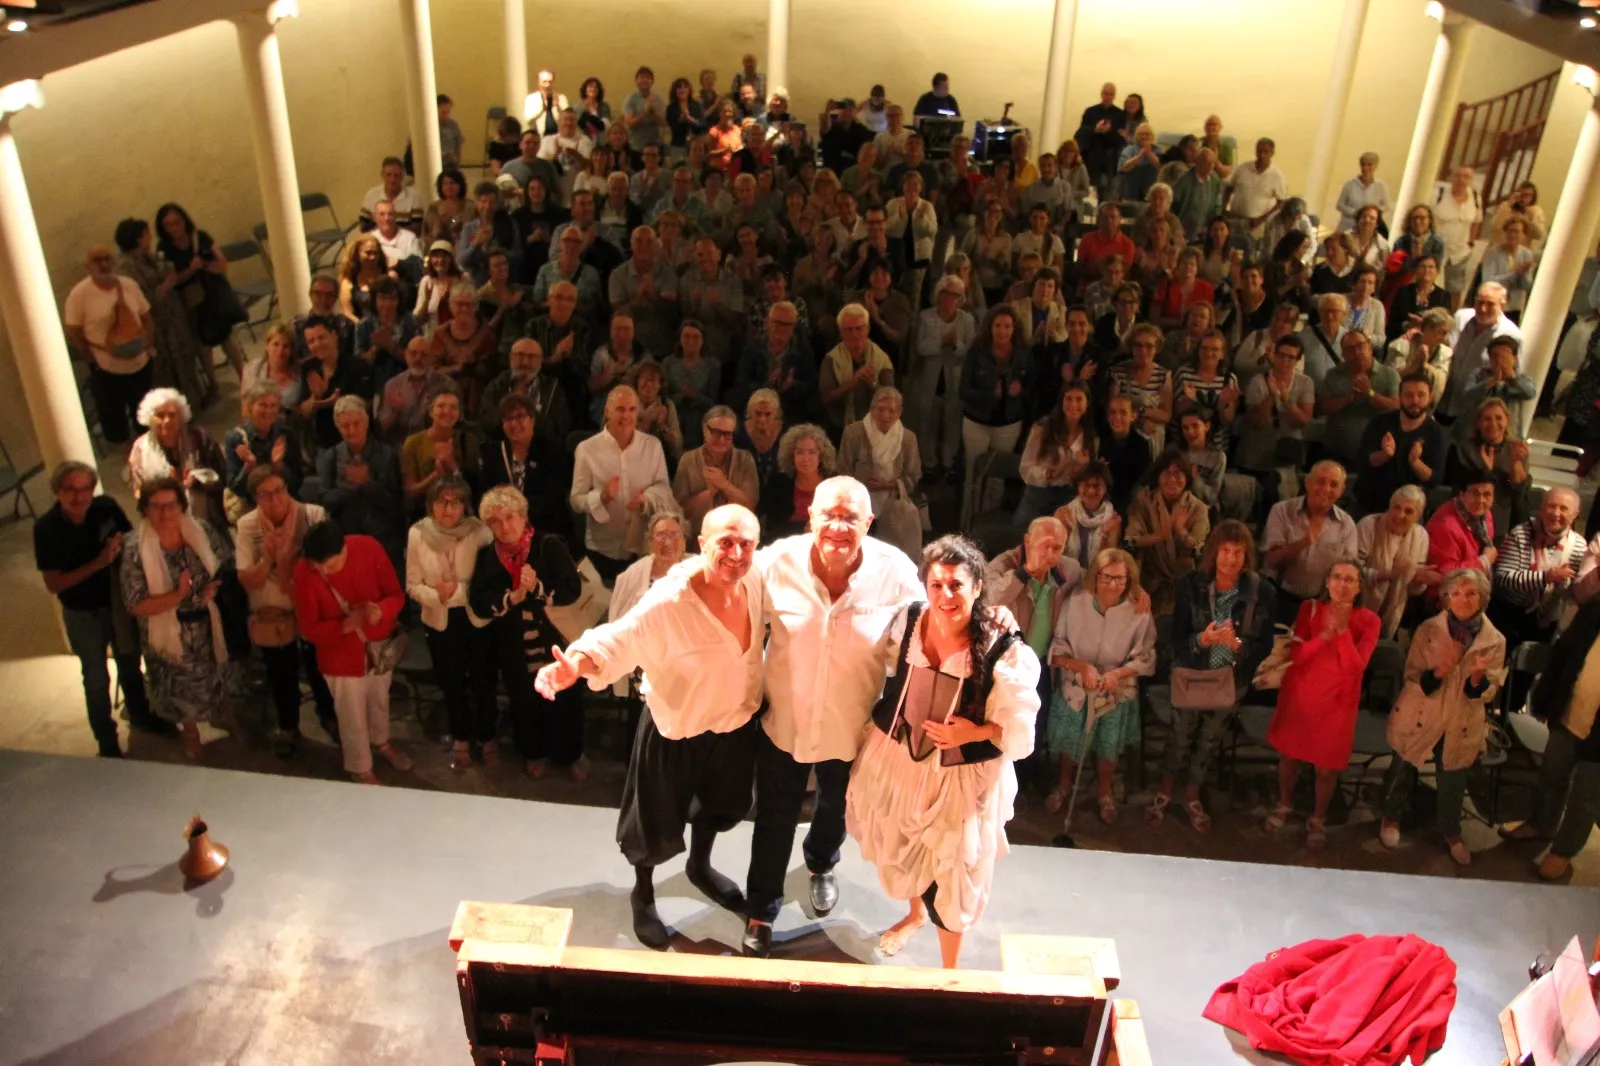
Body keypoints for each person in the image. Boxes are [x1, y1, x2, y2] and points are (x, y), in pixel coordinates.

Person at [536, 504, 762, 948]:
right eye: (725, 543)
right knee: (654, 823)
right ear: (701, 545)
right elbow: (622, 635)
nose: (736, 553)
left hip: (732, 724)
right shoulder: (671, 599)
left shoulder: (753, 578)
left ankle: (700, 867)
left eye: (746, 544)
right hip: (675, 728)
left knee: (720, 804)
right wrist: (575, 666)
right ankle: (643, 894)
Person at [739, 477, 923, 958]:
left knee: (836, 807)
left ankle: (821, 862)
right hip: (786, 719)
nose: (839, 527)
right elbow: (728, 604)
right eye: (829, 516)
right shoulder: (775, 562)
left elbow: (927, 635)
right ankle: (761, 909)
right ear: (811, 517)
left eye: (851, 519)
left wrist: (992, 621)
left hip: (853, 724)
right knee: (774, 818)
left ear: (869, 523)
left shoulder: (896, 573)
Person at [845, 534, 1039, 968]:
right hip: (900, 760)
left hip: (960, 774)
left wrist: (974, 731)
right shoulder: (909, 620)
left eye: (956, 585)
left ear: (976, 588)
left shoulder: (1001, 646)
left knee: (954, 872)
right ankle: (914, 915)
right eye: (937, 585)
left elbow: (1020, 727)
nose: (946, 595)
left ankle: (950, 972)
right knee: (907, 842)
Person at [35, 461, 174, 757]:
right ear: (57, 491)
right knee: (96, 679)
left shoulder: (106, 508)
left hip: (117, 604)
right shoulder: (46, 529)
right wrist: (98, 563)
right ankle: (106, 741)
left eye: (85, 488)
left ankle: (140, 714)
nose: (79, 496)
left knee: (131, 664)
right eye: (71, 490)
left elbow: (130, 540)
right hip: (83, 614)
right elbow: (54, 583)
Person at [1151, 522, 1277, 831]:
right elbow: (1176, 639)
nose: (1231, 559)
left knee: (1209, 740)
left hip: (1232, 679)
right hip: (1192, 673)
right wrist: (1201, 641)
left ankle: (1193, 792)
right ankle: (1165, 789)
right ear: (1213, 553)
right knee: (1180, 737)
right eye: (1224, 551)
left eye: (1237, 552)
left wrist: (1238, 645)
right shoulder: (1191, 584)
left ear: (1246, 556)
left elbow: (1266, 645)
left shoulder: (1262, 591)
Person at [1378, 568, 1504, 865]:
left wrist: (1476, 680)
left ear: (1483, 598)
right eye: (1456, 593)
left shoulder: (1495, 639)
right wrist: (1440, 671)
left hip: (1461, 720)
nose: (1463, 599)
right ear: (1446, 598)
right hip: (1422, 711)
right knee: (1402, 767)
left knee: (1453, 778)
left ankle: (1451, 830)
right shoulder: (1429, 630)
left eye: (1471, 592)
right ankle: (1390, 817)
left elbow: (1489, 691)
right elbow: (1411, 675)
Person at [465, 484, 585, 782]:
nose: (504, 526)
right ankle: (533, 753)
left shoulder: (548, 544)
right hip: (512, 643)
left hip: (554, 641)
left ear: (523, 516)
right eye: (496, 521)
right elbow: (478, 602)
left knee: (565, 699)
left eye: (510, 517)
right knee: (523, 700)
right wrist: (510, 599)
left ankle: (569, 755)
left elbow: (572, 590)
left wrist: (538, 589)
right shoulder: (486, 556)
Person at [1263, 559, 1381, 850]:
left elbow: (1357, 666)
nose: (1342, 584)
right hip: (1300, 695)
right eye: (1337, 577)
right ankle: (1284, 803)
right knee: (1289, 757)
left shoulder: (1369, 621)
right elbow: (1299, 655)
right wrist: (1325, 636)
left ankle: (1318, 817)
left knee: (1326, 769)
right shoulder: (1309, 609)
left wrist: (1340, 634)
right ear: (1327, 582)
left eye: (1349, 579)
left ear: (1359, 587)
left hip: (1338, 704)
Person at [123, 476, 234, 761]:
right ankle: (192, 736)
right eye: (156, 506)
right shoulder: (137, 548)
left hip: (205, 622)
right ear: (144, 509)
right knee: (183, 691)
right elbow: (135, 604)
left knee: (212, 677)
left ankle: (212, 721)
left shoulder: (200, 530)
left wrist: (212, 587)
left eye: (171, 505)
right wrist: (177, 595)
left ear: (181, 505)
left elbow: (223, 561)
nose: (165, 513)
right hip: (169, 630)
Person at [1044, 547, 1155, 825]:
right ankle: (1064, 785)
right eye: (1106, 577)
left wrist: (1119, 673)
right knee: (1071, 743)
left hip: (1115, 686)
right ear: (1096, 576)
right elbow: (1057, 647)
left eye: (1120, 579)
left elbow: (1146, 655)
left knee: (1108, 746)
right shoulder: (1077, 601)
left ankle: (1105, 792)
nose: (1112, 585)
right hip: (1078, 683)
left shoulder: (1138, 609)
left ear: (1130, 580)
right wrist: (1081, 666)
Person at [293, 520, 410, 784]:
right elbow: (309, 629)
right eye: (317, 566)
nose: (323, 571)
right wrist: (346, 626)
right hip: (340, 658)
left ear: (344, 548)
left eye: (330, 565)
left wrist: (379, 611)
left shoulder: (368, 548)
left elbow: (395, 595)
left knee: (380, 699)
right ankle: (360, 767)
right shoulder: (304, 572)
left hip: (379, 648)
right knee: (351, 713)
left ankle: (381, 742)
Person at [235, 463, 334, 758]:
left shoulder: (312, 515)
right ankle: (289, 726)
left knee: (319, 668)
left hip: (310, 606)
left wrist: (289, 561)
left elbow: (324, 567)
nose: (275, 499)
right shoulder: (247, 526)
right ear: (256, 499)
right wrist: (268, 560)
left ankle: (328, 714)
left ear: (287, 488)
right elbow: (246, 579)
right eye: (265, 495)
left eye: (279, 490)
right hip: (273, 611)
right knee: (282, 673)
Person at [1505, 600, 1600, 880]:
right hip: (1570, 714)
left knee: (1586, 797)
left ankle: (1563, 850)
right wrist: (1546, 699)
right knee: (1551, 774)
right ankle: (1540, 823)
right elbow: (1563, 652)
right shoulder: (1595, 607)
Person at [571, 385, 671, 582]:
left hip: (642, 546)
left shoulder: (652, 446)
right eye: (620, 409)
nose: (626, 415)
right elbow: (576, 500)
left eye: (632, 409)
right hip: (603, 548)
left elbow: (663, 488)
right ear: (607, 412)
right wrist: (601, 497)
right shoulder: (587, 449)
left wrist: (646, 498)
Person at [65, 244, 155, 454]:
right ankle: (127, 458)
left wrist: (148, 346)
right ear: (88, 267)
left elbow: (147, 318)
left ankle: (150, 455)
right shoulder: (79, 295)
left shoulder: (129, 285)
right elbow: (73, 331)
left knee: (145, 413)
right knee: (115, 419)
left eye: (107, 258)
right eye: (98, 260)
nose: (104, 264)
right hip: (106, 368)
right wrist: (92, 361)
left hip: (139, 363)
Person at [112, 218, 205, 410]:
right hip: (155, 324)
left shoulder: (147, 257)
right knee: (165, 369)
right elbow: (140, 300)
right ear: (138, 239)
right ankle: (172, 411)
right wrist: (166, 285)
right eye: (147, 235)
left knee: (183, 359)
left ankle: (190, 404)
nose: (150, 238)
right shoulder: (125, 267)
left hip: (171, 318)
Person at [154, 202, 246, 390]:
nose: (174, 228)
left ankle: (244, 378)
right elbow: (171, 280)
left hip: (213, 294)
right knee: (202, 344)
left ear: (184, 220)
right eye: (168, 225)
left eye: (176, 222)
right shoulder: (164, 248)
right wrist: (190, 269)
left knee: (227, 337)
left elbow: (222, 265)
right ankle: (213, 384)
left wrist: (205, 265)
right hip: (191, 300)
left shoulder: (200, 236)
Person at [1491, 486, 1585, 658]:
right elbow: (1503, 578)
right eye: (1551, 506)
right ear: (1542, 508)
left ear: (1575, 513)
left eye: (1563, 508)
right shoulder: (1521, 533)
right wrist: (1545, 577)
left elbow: (1574, 591)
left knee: (1526, 674)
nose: (1556, 513)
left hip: (1546, 619)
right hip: (1509, 613)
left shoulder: (1579, 546)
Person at [1262, 461, 1359, 621]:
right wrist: (1304, 542)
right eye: (1320, 481)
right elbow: (1271, 560)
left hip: (1321, 606)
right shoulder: (1281, 510)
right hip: (1280, 598)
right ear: (1307, 482)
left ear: (1341, 491)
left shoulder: (1347, 524)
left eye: (1334, 484)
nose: (1326, 489)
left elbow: (1349, 572)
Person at [315, 396, 405, 566]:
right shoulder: (331, 456)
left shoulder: (387, 454)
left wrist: (367, 483)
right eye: (345, 426)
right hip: (344, 535)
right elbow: (325, 500)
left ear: (367, 422)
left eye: (357, 423)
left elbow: (396, 504)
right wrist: (350, 488)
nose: (352, 430)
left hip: (382, 535)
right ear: (338, 428)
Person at [836, 387, 923, 559]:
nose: (885, 415)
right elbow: (842, 470)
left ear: (899, 413)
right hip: (859, 506)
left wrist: (888, 485)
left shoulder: (908, 438)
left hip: (892, 507)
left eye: (891, 410)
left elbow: (914, 476)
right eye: (880, 409)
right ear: (871, 409)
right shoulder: (853, 433)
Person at [127, 387, 227, 532]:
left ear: (181, 417)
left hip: (208, 520)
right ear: (149, 418)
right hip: (165, 522)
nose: (167, 421)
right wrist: (165, 486)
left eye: (172, 415)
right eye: (160, 415)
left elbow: (222, 476)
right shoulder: (140, 449)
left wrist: (197, 482)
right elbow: (139, 493)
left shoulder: (200, 438)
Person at [1124, 449, 1210, 615]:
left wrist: (1180, 531)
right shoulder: (1144, 500)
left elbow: (1199, 551)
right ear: (1158, 476)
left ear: (1187, 477)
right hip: (1149, 582)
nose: (1172, 479)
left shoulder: (1198, 508)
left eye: (1178, 474)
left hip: (1183, 584)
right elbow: (1129, 540)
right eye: (1167, 473)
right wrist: (1160, 536)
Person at [959, 306, 1030, 503]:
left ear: (1014, 329)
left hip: (1008, 424)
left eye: (1007, 326)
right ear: (990, 327)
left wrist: (1020, 392)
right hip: (977, 422)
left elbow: (1033, 392)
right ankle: (967, 522)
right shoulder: (976, 352)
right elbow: (963, 391)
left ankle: (987, 523)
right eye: (998, 325)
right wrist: (989, 395)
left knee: (996, 478)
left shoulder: (1024, 354)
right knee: (973, 475)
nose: (1002, 331)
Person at [1352, 373, 1446, 518]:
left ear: (1430, 398)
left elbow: (1434, 479)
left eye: (1421, 395)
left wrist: (1415, 462)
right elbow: (1362, 461)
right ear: (1400, 397)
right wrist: (1385, 455)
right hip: (1370, 503)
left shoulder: (1435, 432)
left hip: (1408, 510)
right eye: (1409, 395)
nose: (1415, 400)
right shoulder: (1380, 422)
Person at [1356, 485, 1433, 639]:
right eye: (1396, 507)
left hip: (1392, 614)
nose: (1399, 515)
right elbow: (1352, 572)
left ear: (1419, 515)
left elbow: (1412, 589)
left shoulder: (1421, 536)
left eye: (1409, 511)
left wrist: (1419, 582)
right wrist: (1386, 575)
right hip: (1358, 608)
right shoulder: (1369, 525)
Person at [1447, 396, 1531, 535]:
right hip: (1470, 515)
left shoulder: (1516, 448)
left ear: (1507, 421)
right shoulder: (1465, 449)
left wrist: (1515, 462)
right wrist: (1486, 472)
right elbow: (1462, 488)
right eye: (1487, 419)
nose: (1493, 423)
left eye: (1498, 418)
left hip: (1504, 515)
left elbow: (1517, 491)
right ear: (1478, 423)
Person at [1016, 382, 1096, 529]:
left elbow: (1086, 481)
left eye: (1079, 399)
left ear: (1087, 404)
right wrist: (1051, 473)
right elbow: (1025, 469)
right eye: (1068, 398)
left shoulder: (1090, 437)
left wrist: (1082, 469)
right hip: (1038, 496)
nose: (1073, 404)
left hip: (1069, 499)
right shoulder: (1043, 428)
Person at [1318, 331, 1399, 469]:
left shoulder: (1389, 374)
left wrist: (1370, 393)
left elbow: (1397, 407)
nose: (1357, 352)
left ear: (1370, 347)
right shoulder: (1333, 374)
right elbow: (1322, 407)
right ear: (1343, 354)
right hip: (1337, 451)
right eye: (1350, 349)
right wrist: (1346, 398)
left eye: (1360, 346)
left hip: (1377, 454)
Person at [1443, 282, 1522, 421]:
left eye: (1490, 304)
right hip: (1445, 399)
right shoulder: (1461, 317)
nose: (1483, 309)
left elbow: (1513, 378)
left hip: (1475, 411)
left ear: (1502, 305)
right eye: (1479, 302)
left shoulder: (1511, 334)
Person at [224, 383, 303, 515]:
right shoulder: (235, 438)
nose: (269, 411)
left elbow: (297, 483)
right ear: (250, 407)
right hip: (254, 508)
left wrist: (279, 465)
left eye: (273, 406)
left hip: (286, 503)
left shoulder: (286, 433)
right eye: (263, 405)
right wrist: (249, 465)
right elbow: (236, 489)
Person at [299, 318, 375, 452]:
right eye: (311, 341)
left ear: (334, 336)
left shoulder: (357, 365)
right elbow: (305, 412)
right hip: (325, 444)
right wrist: (316, 398)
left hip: (356, 442)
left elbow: (368, 404)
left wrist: (340, 403)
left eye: (321, 337)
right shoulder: (308, 368)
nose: (317, 344)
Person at [401, 386, 481, 508]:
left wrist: (452, 465)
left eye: (453, 407)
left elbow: (475, 488)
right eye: (441, 406)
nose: (447, 411)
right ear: (431, 411)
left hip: (461, 509)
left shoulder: (469, 440)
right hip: (424, 509)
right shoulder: (413, 442)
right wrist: (435, 476)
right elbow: (409, 490)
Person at [1425, 474, 1498, 593]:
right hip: (1444, 597)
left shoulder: (1486, 515)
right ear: (1462, 494)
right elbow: (1445, 573)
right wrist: (1483, 561)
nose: (1481, 500)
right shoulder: (1445, 525)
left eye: (1487, 495)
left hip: (1474, 588)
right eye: (1475, 493)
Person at [1457, 336, 1538, 440]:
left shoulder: (1522, 379)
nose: (1500, 360)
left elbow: (1530, 393)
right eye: (1495, 356)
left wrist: (1512, 379)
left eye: (1505, 355)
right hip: (1477, 433)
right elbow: (1466, 396)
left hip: (1509, 435)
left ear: (1515, 358)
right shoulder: (1479, 374)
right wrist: (1492, 381)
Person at [378, 337, 451, 444]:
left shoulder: (446, 385)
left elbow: (455, 426)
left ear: (432, 357)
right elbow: (382, 429)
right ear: (406, 355)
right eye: (413, 353)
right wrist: (395, 412)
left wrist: (434, 414)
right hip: (399, 447)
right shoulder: (392, 385)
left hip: (434, 447)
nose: (418, 358)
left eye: (424, 355)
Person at [1432, 165, 1483, 302]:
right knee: (1430, 283)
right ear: (1451, 177)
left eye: (1466, 176)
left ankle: (1452, 317)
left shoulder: (1475, 198)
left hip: (1460, 251)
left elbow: (1477, 221)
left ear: (1471, 180)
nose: (1461, 180)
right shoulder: (1439, 194)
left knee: (1455, 288)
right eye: (1458, 175)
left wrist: (1471, 242)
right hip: (1437, 248)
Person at [1224, 138, 1287, 246]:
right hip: (1235, 217)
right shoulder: (1243, 168)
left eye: (1266, 152)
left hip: (1257, 223)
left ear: (1272, 153)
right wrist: (1223, 209)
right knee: (1229, 245)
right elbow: (1229, 187)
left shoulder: (1277, 176)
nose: (1262, 155)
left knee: (1250, 248)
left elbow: (1280, 202)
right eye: (1259, 151)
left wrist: (1262, 219)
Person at [1482, 216, 1538, 318]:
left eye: (1516, 231)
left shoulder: (1527, 254)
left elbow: (1527, 286)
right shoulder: (1493, 253)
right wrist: (1514, 274)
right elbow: (1487, 281)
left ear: (1523, 235)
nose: (1512, 234)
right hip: (1494, 304)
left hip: (1515, 306)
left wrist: (1524, 273)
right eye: (1509, 231)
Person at [1335, 152, 1391, 232]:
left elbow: (1386, 206)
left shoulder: (1381, 186)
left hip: (1368, 228)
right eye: (1363, 164)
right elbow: (1340, 205)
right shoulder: (1350, 184)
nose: (1365, 168)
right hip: (1348, 226)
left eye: (1369, 165)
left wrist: (1371, 213)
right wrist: (1355, 213)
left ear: (1375, 166)